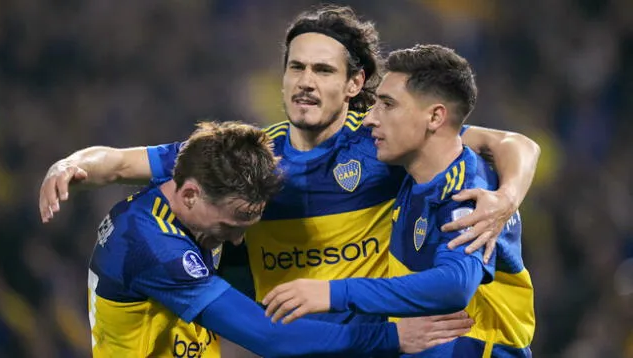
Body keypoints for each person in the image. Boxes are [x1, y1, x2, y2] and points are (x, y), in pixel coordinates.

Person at [39, 5, 539, 356]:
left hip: (373, 339)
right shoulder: (243, 160)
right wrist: (69, 166)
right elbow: (121, 163)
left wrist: (507, 197)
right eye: (296, 67)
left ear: (354, 83)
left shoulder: (385, 143)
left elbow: (513, 143)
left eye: (323, 70)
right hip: (303, 343)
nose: (305, 81)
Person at [88, 120, 468, 357]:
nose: (237, 241)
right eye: (233, 224)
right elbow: (270, 338)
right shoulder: (154, 247)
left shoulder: (204, 169)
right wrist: (392, 337)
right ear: (189, 195)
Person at [262, 45, 535, 357]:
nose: (370, 119)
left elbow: (455, 285)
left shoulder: (469, 192)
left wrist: (332, 292)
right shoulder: (410, 173)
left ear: (435, 116)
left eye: (387, 105)